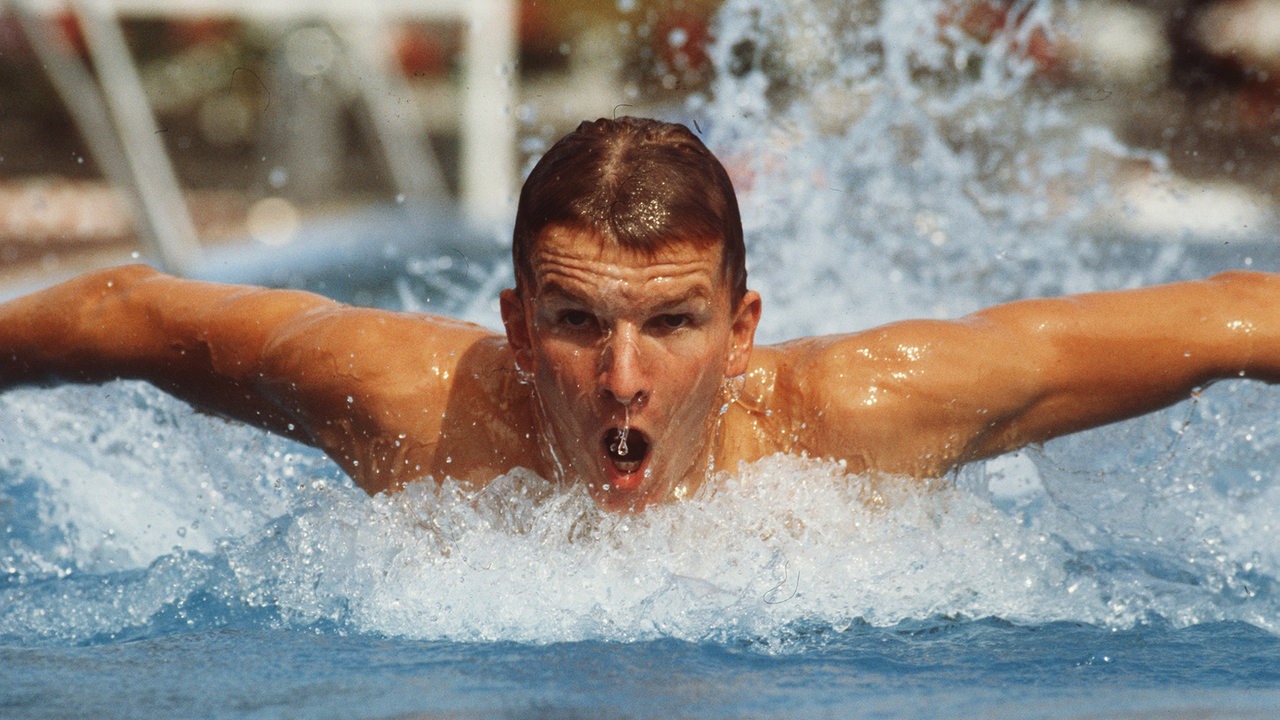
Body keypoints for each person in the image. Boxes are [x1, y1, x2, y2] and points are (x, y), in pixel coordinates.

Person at [1, 117, 1277, 511]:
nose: (621, 378)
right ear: (511, 322)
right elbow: (130, 311)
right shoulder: (409, 401)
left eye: (671, 323)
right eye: (573, 322)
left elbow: (1231, 314)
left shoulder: (851, 421)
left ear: (742, 326)